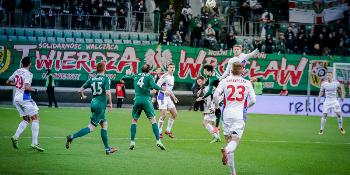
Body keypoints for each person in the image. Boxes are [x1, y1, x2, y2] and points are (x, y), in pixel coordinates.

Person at [213, 60, 256, 175]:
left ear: (231, 70)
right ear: (242, 70)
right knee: (235, 140)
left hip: (226, 114)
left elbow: (216, 95)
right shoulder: (247, 82)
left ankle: (233, 172)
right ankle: (226, 151)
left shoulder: (225, 81)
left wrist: (217, 107)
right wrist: (245, 108)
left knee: (229, 140)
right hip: (239, 114)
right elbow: (253, 100)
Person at [65, 62, 117, 155]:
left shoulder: (91, 79)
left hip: (94, 104)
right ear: (104, 69)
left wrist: (83, 96)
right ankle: (72, 137)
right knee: (91, 128)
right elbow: (108, 93)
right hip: (100, 106)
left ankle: (107, 148)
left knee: (104, 124)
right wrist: (111, 104)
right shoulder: (106, 79)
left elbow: (80, 90)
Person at [122, 64, 167, 150]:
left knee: (134, 120)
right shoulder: (149, 77)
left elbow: (124, 78)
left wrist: (127, 74)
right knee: (153, 120)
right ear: (149, 71)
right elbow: (154, 86)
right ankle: (158, 141)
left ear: (141, 69)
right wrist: (162, 89)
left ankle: (132, 141)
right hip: (146, 100)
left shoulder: (136, 75)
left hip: (137, 100)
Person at [6, 56, 44, 152]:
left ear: (22, 63)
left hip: (17, 98)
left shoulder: (17, 71)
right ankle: (35, 143)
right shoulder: (29, 74)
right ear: (30, 64)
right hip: (24, 98)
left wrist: (18, 84)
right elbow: (27, 87)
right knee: (36, 118)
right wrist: (34, 90)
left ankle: (15, 136)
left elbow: (8, 82)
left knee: (27, 119)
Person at [156, 63, 179, 139]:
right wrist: (165, 92)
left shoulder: (172, 77)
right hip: (162, 96)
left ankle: (168, 130)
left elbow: (169, 89)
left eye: (173, 67)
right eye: (170, 67)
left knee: (174, 114)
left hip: (168, 97)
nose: (172, 68)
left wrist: (174, 96)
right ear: (168, 68)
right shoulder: (164, 76)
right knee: (163, 114)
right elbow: (157, 86)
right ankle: (159, 132)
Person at [196, 64, 221, 129]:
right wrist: (201, 90)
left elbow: (210, 92)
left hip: (217, 99)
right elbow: (207, 83)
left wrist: (201, 98)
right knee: (212, 121)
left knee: (205, 122)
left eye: (205, 71)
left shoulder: (214, 79)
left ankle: (216, 132)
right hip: (215, 98)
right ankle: (216, 134)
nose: (204, 73)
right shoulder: (212, 74)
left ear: (210, 71)